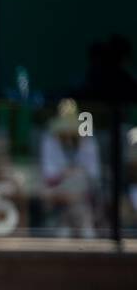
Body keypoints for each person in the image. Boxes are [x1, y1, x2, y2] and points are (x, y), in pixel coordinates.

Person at [39, 99, 101, 236]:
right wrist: (65, 177)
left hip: (82, 195)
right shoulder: (49, 140)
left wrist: (73, 182)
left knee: (79, 181)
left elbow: (94, 175)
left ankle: (70, 225)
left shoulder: (88, 140)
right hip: (59, 195)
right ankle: (76, 225)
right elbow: (48, 175)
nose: (68, 135)